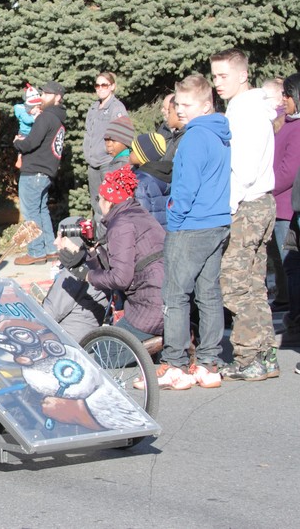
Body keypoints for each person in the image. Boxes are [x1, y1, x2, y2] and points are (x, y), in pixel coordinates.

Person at [153, 73, 230, 391]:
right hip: (216, 221)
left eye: (187, 104)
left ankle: (175, 364)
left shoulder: (195, 137)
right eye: (177, 103)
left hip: (192, 224)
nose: (180, 109)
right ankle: (209, 363)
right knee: (209, 294)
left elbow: (186, 185)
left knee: (175, 294)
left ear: (205, 104)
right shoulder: (219, 133)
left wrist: (175, 214)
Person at [210, 49, 278, 381]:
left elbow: (243, 169)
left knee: (235, 286)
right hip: (260, 203)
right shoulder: (250, 108)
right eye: (214, 76)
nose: (216, 83)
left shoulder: (243, 113)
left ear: (242, 75)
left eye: (223, 76)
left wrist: (229, 207)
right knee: (253, 285)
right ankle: (264, 355)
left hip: (246, 205)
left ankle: (250, 356)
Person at [46, 166, 165, 345]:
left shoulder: (121, 224)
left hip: (149, 306)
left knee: (104, 354)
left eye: (100, 198)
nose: (99, 202)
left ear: (109, 201)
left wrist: (84, 274)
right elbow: (122, 261)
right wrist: (92, 250)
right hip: (164, 299)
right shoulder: (138, 214)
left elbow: (120, 278)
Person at [13, 80, 67, 265]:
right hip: (45, 172)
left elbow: (31, 143)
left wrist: (18, 142)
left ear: (57, 97)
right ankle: (51, 249)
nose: (41, 97)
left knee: (31, 213)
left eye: (46, 94)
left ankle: (35, 252)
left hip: (34, 171)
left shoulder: (46, 117)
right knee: (41, 210)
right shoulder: (58, 118)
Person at [83, 72, 128, 226]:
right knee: (96, 204)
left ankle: (111, 237)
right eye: (97, 85)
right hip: (93, 164)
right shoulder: (94, 108)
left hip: (108, 163)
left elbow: (122, 136)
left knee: (110, 203)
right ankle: (99, 238)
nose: (100, 88)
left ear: (112, 87)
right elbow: (89, 133)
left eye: (104, 85)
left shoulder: (117, 108)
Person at [275, 74, 300, 340]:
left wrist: (266, 186)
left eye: (287, 95)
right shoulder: (288, 122)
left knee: (292, 266)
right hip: (281, 205)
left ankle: (295, 318)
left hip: (288, 207)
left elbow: (288, 171)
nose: (283, 100)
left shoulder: (297, 128)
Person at [130, 132, 170, 227]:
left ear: (142, 155)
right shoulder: (164, 173)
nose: (130, 153)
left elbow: (139, 216)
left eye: (133, 150)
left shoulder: (140, 182)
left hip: (147, 234)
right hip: (163, 232)